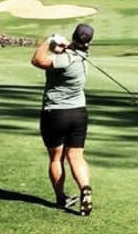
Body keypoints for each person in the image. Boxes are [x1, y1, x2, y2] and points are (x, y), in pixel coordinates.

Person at [31, 22, 94, 215]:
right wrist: (63, 47)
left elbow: (37, 60)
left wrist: (49, 41)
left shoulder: (65, 60)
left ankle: (61, 200)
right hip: (78, 114)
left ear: (73, 37)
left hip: (56, 114)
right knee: (76, 156)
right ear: (89, 43)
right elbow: (71, 51)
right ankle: (84, 187)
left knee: (56, 158)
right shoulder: (84, 57)